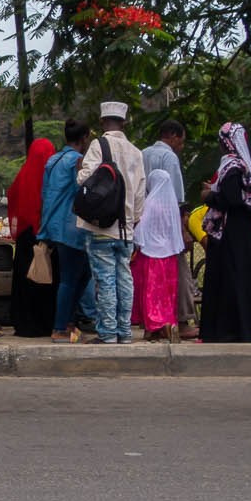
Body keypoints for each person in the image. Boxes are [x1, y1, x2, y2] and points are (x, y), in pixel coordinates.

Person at [77, 101, 147, 345]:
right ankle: (124, 332)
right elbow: (140, 194)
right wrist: (133, 219)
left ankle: (107, 333)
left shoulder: (99, 145)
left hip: (101, 225)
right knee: (124, 277)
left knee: (105, 279)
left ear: (102, 122)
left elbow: (85, 179)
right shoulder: (137, 152)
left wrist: (80, 172)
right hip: (126, 228)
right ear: (124, 122)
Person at [201, 122, 251, 344]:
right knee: (241, 277)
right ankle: (245, 327)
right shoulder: (239, 165)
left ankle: (228, 330)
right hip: (241, 232)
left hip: (230, 234)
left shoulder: (232, 166)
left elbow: (231, 199)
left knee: (231, 278)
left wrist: (208, 196)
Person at [140, 119, 198, 338]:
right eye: (181, 142)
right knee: (179, 271)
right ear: (172, 136)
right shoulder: (169, 157)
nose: (181, 147)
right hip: (167, 222)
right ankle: (182, 320)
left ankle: (152, 321)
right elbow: (177, 197)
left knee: (151, 276)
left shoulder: (143, 153)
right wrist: (183, 230)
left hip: (146, 220)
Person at [43, 121, 96, 342]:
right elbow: (81, 191)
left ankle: (68, 323)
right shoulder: (76, 161)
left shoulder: (52, 160)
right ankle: (61, 327)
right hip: (71, 226)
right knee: (70, 277)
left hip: (54, 224)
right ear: (84, 138)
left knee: (80, 274)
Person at [5, 136, 57, 338]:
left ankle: (23, 322)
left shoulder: (23, 175)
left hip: (26, 235)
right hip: (46, 235)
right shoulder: (52, 177)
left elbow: (12, 196)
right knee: (46, 278)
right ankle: (45, 323)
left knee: (24, 278)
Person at [133, 168, 186, 341]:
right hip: (169, 256)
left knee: (150, 292)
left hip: (150, 256)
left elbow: (141, 230)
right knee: (167, 293)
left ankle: (151, 326)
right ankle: (168, 323)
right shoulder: (171, 206)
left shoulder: (150, 203)